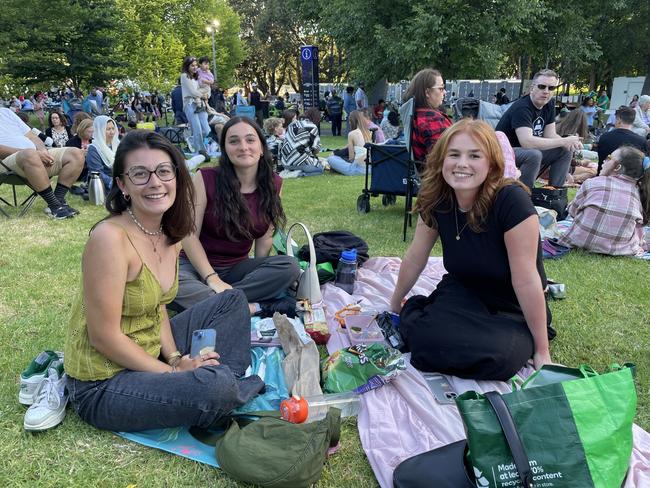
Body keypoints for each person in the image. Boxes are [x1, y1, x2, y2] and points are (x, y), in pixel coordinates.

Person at [64, 130, 264, 432]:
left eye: (164, 171)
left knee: (233, 300)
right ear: (123, 184)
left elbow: (157, 307)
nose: (155, 183)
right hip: (103, 383)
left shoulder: (169, 233)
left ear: (176, 177)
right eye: (140, 174)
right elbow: (102, 337)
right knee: (215, 387)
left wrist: (173, 357)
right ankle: (218, 385)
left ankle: (212, 378)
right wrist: (173, 374)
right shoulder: (109, 239)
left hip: (149, 350)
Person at [390, 119, 553, 380]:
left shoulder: (512, 201)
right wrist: (395, 303)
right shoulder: (436, 198)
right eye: (454, 155)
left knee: (502, 359)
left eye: (474, 156)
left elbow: (526, 280)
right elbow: (415, 257)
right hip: (463, 291)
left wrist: (542, 351)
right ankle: (419, 310)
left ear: (491, 163)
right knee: (425, 344)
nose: (462, 164)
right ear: (442, 160)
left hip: (511, 304)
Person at [172, 117, 300, 312]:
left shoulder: (274, 183)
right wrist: (211, 278)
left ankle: (214, 303)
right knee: (173, 285)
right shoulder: (206, 178)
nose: (243, 147)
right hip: (195, 267)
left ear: (261, 146)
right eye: (234, 141)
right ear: (225, 148)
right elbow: (189, 235)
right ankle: (254, 306)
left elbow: (265, 235)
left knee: (288, 267)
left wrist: (260, 268)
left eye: (250, 140)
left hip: (236, 269)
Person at [558, 146, 650, 256]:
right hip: (619, 250)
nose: (604, 161)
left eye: (609, 157)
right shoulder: (638, 193)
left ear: (617, 167)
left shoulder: (592, 183)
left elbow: (573, 212)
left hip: (579, 242)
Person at [495, 69, 579, 190]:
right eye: (542, 86)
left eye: (551, 88)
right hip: (503, 152)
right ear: (532, 88)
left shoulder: (549, 104)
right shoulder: (522, 107)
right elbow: (527, 142)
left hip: (525, 151)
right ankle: (523, 195)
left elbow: (550, 135)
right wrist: (563, 141)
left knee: (565, 151)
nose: (546, 91)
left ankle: (553, 195)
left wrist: (569, 142)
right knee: (534, 154)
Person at [0, 107, 84, 219]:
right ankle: (54, 206)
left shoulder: (6, 112)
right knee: (30, 154)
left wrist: (43, 151)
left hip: (33, 156)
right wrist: (33, 153)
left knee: (76, 153)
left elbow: (31, 136)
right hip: (6, 163)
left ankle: (58, 200)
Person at [404, 68, 453, 164]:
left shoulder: (414, 115)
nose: (445, 92)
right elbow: (442, 159)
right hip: (440, 177)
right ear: (427, 92)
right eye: (441, 88)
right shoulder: (432, 119)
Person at [596, 106, 647, 174]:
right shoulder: (641, 141)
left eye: (615, 119)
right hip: (628, 182)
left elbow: (601, 160)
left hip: (603, 177)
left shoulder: (605, 137)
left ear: (619, 119)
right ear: (633, 120)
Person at [278, 107, 324, 175]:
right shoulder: (313, 127)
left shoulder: (292, 125)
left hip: (285, 162)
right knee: (320, 169)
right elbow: (315, 149)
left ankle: (293, 171)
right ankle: (298, 174)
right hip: (298, 161)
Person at [180, 56, 210, 159]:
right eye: (192, 65)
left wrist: (206, 95)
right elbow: (192, 92)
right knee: (197, 129)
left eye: (196, 65)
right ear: (187, 66)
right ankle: (201, 152)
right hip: (189, 104)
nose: (195, 67)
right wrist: (202, 95)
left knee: (206, 130)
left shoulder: (197, 77)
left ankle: (191, 140)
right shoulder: (184, 76)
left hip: (199, 104)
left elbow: (206, 88)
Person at [327, 110, 372, 176]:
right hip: (370, 168)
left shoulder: (352, 134)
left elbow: (351, 158)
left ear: (352, 121)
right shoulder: (369, 132)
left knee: (331, 158)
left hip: (358, 169)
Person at [86, 115, 120, 190]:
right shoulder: (94, 148)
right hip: (102, 184)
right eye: (108, 129)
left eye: (113, 128)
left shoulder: (117, 144)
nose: (111, 132)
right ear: (99, 130)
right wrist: (113, 183)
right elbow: (96, 172)